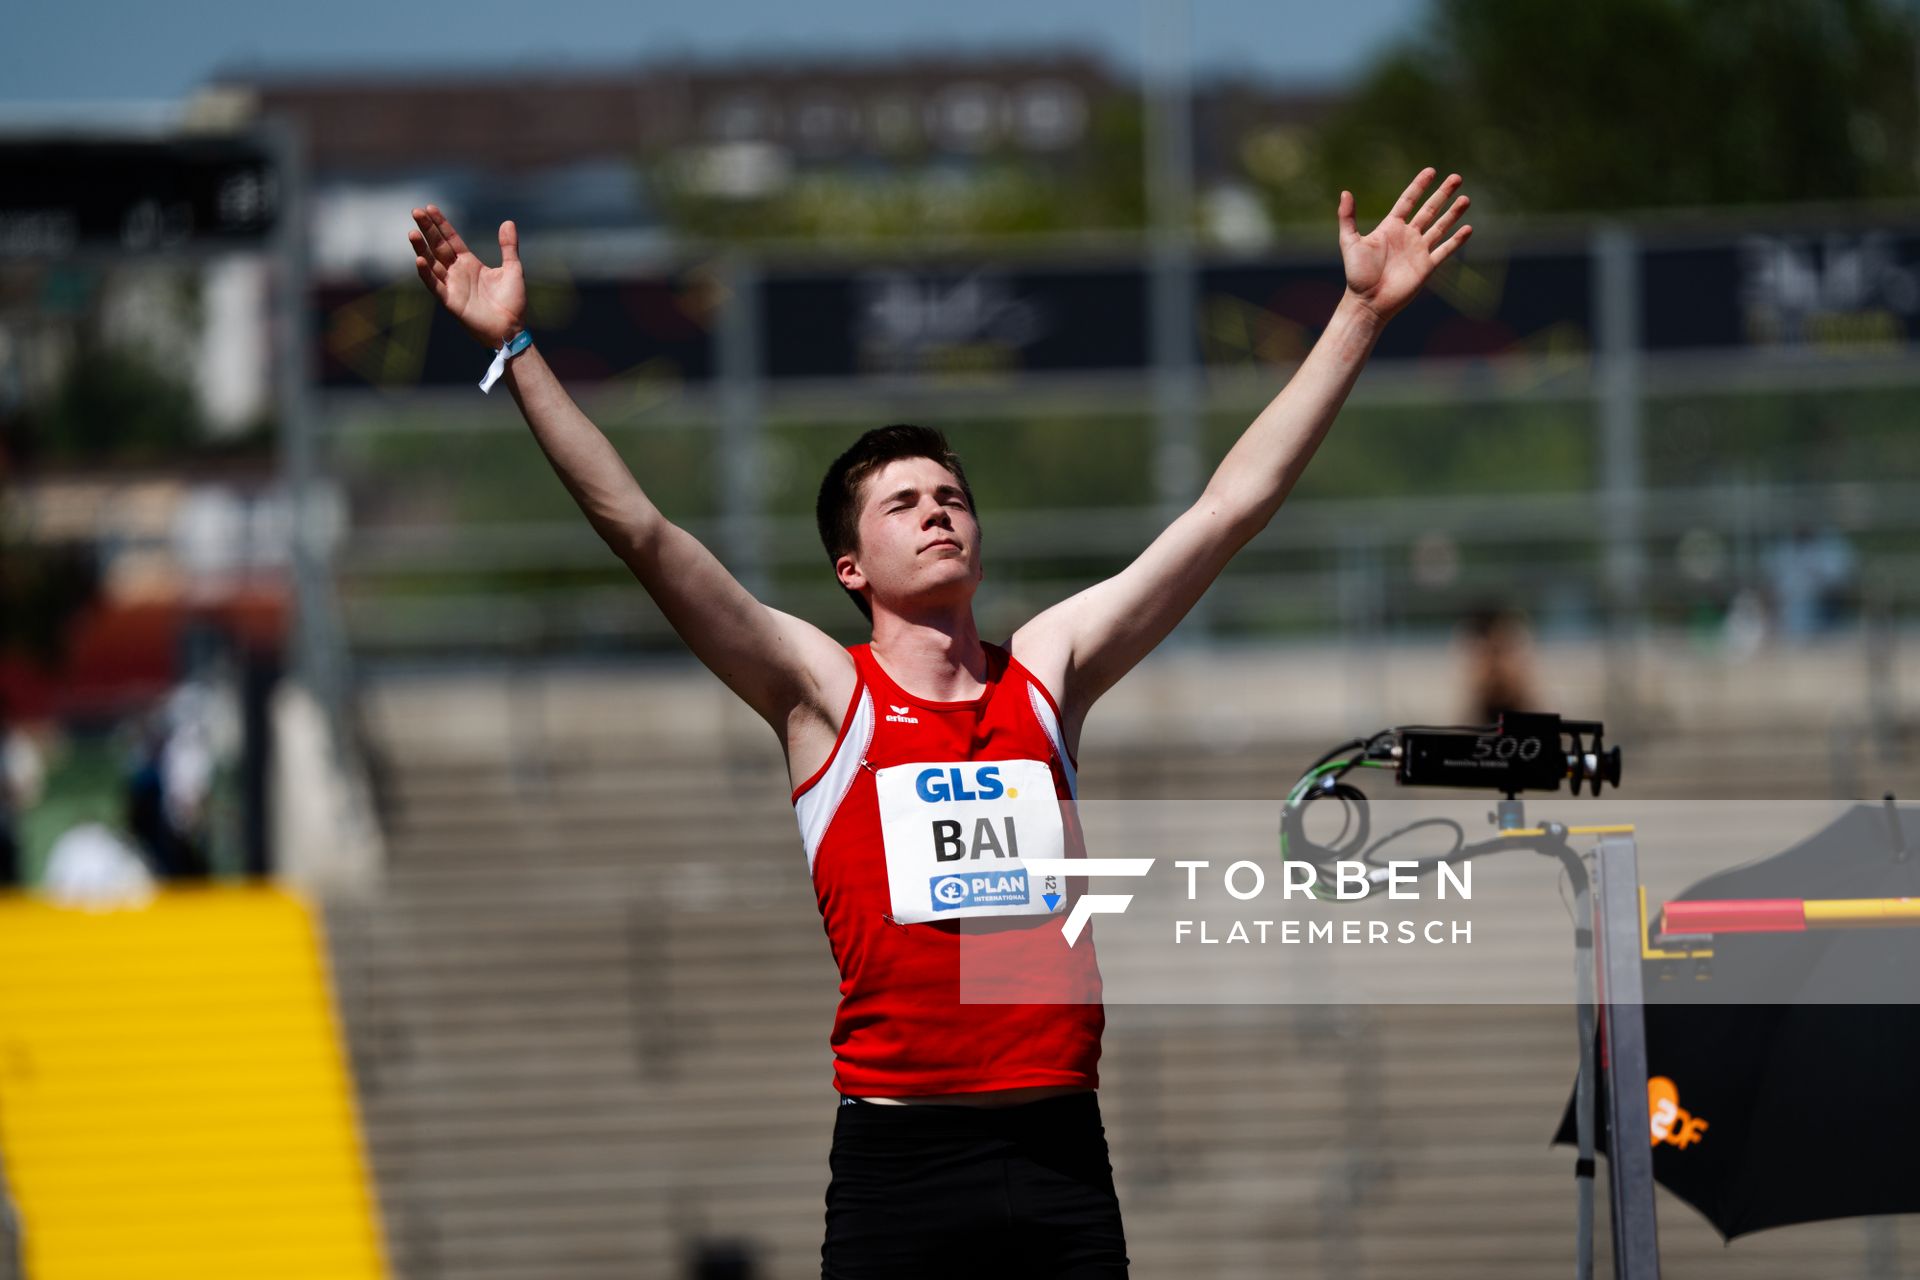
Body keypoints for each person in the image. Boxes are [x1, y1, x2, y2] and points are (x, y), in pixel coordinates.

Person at [408, 166, 1472, 1279]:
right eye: (905, 502)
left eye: (953, 495)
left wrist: (1359, 313)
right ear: (851, 565)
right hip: (900, 1161)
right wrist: (517, 352)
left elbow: (1225, 510)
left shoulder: (1050, 670)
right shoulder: (825, 693)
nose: (940, 511)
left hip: (1060, 1147)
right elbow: (643, 530)